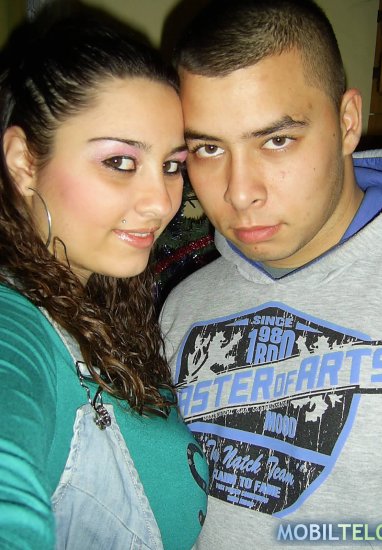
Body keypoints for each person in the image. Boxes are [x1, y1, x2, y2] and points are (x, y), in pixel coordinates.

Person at [159, 0, 382, 548]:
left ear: (347, 123)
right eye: (208, 148)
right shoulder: (182, 306)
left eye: (276, 140)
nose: (240, 192)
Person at [0, 5, 208, 549]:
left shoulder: (107, 299)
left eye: (171, 165)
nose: (161, 202)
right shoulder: (14, 322)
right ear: (23, 162)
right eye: (119, 162)